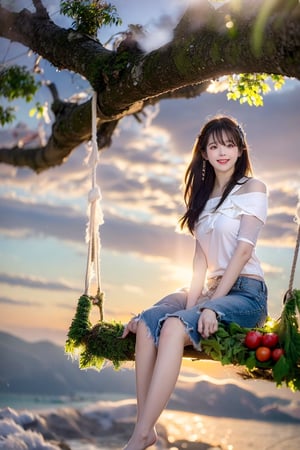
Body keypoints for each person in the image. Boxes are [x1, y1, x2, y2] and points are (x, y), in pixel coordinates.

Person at [121, 115, 268, 450]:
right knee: (147, 323)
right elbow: (200, 260)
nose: (222, 152)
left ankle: (140, 435)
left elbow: (243, 253)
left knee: (172, 328)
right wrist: (193, 307)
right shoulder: (201, 199)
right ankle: (144, 430)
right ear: (203, 152)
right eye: (214, 145)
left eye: (229, 144)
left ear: (240, 149)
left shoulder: (253, 188)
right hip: (207, 290)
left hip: (246, 293)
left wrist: (211, 305)